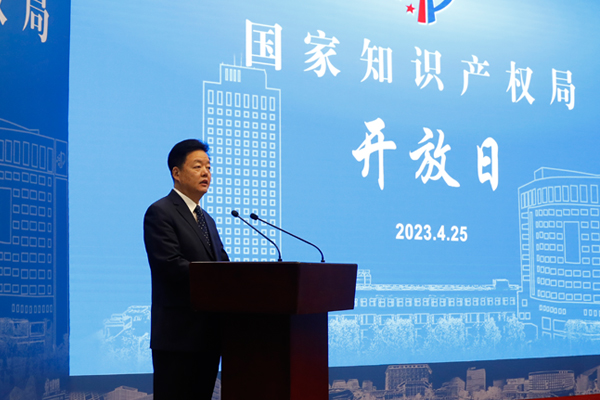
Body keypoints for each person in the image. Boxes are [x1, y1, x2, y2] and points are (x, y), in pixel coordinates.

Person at [143, 139, 229, 399]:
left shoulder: (207, 220)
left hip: (208, 337)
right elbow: (169, 265)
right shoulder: (160, 212)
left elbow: (224, 266)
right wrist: (217, 278)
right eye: (198, 166)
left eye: (209, 167)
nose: (206, 173)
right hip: (177, 338)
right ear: (176, 173)